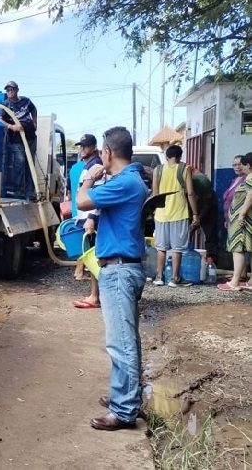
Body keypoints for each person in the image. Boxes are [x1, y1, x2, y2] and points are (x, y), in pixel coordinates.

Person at [76, 126, 149, 431]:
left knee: (121, 344)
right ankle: (125, 397)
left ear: (107, 152)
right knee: (125, 340)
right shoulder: (130, 181)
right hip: (121, 268)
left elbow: (82, 201)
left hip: (119, 271)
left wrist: (90, 177)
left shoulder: (125, 182)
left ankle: (124, 409)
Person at [152, 145, 199, 287]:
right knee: (177, 248)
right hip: (179, 213)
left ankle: (159, 277)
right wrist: (195, 213)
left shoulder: (158, 170)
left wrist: (155, 211)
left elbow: (155, 193)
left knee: (161, 247)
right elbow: (190, 193)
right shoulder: (185, 169)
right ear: (179, 156)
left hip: (161, 214)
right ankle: (175, 278)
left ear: (167, 156)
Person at [72, 134, 103, 308]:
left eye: (85, 146)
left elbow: (96, 197)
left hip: (91, 220)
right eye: (80, 146)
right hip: (86, 218)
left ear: (93, 147)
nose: (81, 149)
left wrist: (91, 218)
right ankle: (94, 294)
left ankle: (95, 296)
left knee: (93, 259)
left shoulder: (96, 166)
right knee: (91, 259)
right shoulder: (88, 165)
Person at [0, 80, 38, 201]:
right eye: (7, 90)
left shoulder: (26, 101)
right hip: (16, 139)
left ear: (17, 90)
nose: (9, 92)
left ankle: (29, 192)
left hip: (30, 137)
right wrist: (11, 126)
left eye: (12, 89)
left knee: (30, 164)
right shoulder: (6, 104)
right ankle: (18, 190)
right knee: (19, 163)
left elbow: (34, 109)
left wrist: (35, 122)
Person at [218, 152, 252, 291]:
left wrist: (241, 215)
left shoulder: (250, 178)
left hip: (242, 220)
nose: (240, 168)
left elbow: (250, 195)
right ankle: (250, 282)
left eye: (242, 165)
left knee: (237, 248)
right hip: (243, 219)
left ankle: (234, 282)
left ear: (248, 165)